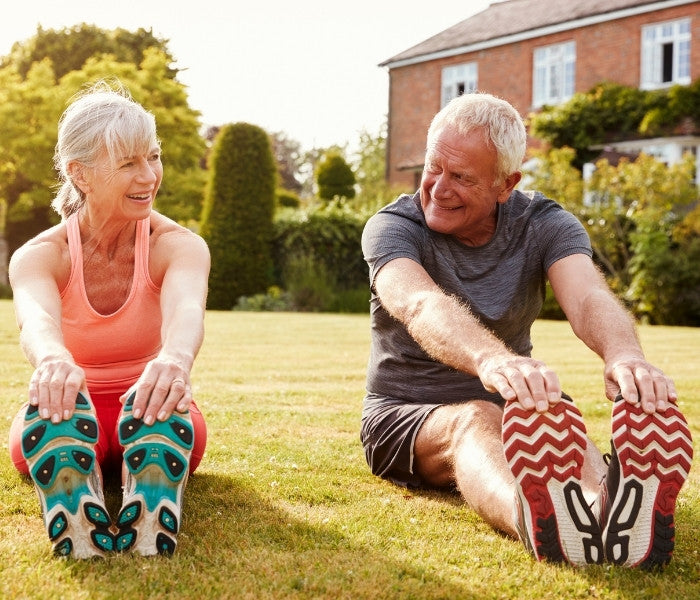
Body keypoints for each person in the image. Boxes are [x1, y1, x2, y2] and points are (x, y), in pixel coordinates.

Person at [360, 92, 693, 569]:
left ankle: (610, 514)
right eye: (434, 168)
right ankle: (538, 520)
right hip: (405, 416)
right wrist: (491, 360)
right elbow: (419, 303)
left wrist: (624, 354)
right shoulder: (393, 226)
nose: (438, 187)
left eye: (461, 177)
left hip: (519, 404)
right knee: (474, 417)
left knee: (555, 416)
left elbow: (587, 296)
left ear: (506, 184)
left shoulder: (544, 223)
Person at [7, 82, 210, 559]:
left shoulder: (178, 245)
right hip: (67, 406)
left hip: (152, 401)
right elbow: (35, 320)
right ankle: (80, 491)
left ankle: (145, 478)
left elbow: (186, 309)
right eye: (128, 164)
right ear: (80, 174)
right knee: (53, 420)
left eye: (153, 157)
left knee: (158, 414)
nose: (149, 176)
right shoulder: (40, 255)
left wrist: (175, 361)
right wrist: (53, 360)